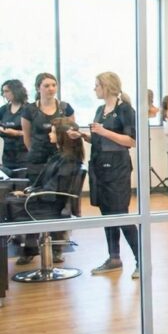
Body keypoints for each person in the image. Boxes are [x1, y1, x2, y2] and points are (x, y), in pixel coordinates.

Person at [72, 72, 140, 279]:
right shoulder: (100, 110)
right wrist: (84, 136)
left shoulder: (125, 110)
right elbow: (100, 139)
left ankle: (141, 260)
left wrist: (104, 132)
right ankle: (114, 257)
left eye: (97, 85)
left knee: (120, 213)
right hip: (100, 166)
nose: (94, 89)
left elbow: (131, 141)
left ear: (106, 86)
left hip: (118, 168)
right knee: (107, 213)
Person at [4, 117, 83, 265]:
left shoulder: (68, 160)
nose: (49, 135)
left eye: (52, 132)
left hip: (50, 206)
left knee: (5, 204)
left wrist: (31, 194)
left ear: (62, 136)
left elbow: (54, 190)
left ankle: (27, 250)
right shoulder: (59, 156)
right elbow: (49, 184)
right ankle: (29, 249)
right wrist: (28, 192)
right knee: (8, 199)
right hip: (46, 201)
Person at [21, 73, 75, 182]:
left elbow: (72, 134)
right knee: (37, 192)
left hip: (60, 157)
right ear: (38, 88)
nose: (51, 89)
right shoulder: (29, 110)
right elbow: (26, 137)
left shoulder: (65, 108)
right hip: (37, 159)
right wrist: (34, 152)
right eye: (46, 86)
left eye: (54, 85)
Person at [1, 79, 29, 173]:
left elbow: (35, 132)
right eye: (3, 92)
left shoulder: (29, 109)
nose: (4, 95)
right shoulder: (3, 110)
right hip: (8, 155)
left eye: (7, 91)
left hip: (24, 154)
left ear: (16, 91)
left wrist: (17, 133)